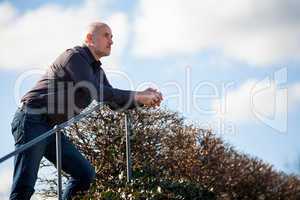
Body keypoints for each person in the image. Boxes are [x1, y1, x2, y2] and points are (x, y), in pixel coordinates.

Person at [9, 22, 163, 200]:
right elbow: (95, 92)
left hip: (50, 128)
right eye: (106, 35)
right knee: (25, 186)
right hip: (31, 119)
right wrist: (139, 95)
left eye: (112, 37)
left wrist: (144, 101)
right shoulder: (74, 57)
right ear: (90, 39)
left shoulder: (97, 71)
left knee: (84, 174)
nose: (111, 41)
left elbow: (113, 103)